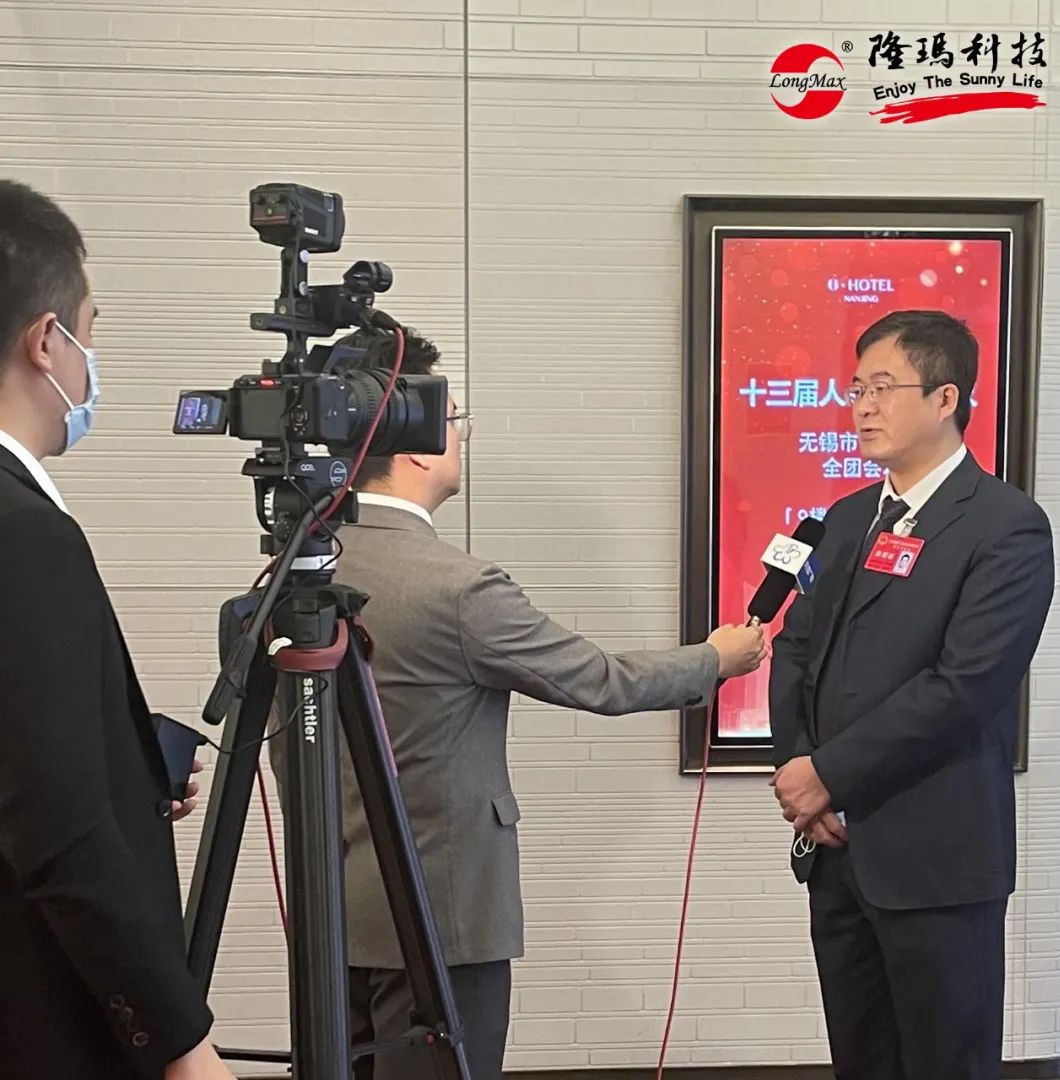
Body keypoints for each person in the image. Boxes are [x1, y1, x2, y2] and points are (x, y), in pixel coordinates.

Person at [269, 327, 766, 1080]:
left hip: (331, 916)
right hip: (443, 919)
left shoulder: (290, 579)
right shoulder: (458, 589)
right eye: (454, 418)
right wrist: (716, 659)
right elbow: (601, 680)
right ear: (417, 447)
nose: (462, 435)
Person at [768, 309, 1054, 1080]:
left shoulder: (1006, 526)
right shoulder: (847, 519)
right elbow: (796, 649)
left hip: (937, 859)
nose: (862, 407)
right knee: (861, 1060)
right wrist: (801, 770)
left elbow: (964, 686)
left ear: (945, 398)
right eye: (856, 388)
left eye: (883, 388)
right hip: (837, 852)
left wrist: (831, 773)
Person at [0, 181, 234, 1080]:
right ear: (46, 341)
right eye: (89, 331)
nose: (91, 360)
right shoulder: (26, 535)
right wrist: (182, 1044)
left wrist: (124, 766)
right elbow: (57, 826)